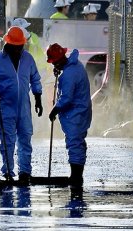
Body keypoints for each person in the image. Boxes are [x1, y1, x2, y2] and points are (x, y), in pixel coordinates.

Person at [0, 26, 43, 183]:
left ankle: (25, 172)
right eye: (16, 46)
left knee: (25, 139)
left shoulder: (28, 59)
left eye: (21, 46)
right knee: (7, 141)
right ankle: (8, 171)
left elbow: (35, 78)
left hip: (24, 108)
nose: (19, 49)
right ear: (8, 44)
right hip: (5, 107)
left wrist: (38, 97)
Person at [46, 43, 92, 187]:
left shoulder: (69, 75)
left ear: (58, 60)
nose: (53, 65)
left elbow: (66, 98)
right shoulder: (75, 65)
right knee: (78, 142)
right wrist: (60, 71)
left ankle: (76, 177)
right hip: (81, 111)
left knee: (74, 143)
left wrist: (55, 109)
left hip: (75, 114)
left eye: (54, 62)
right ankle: (77, 175)